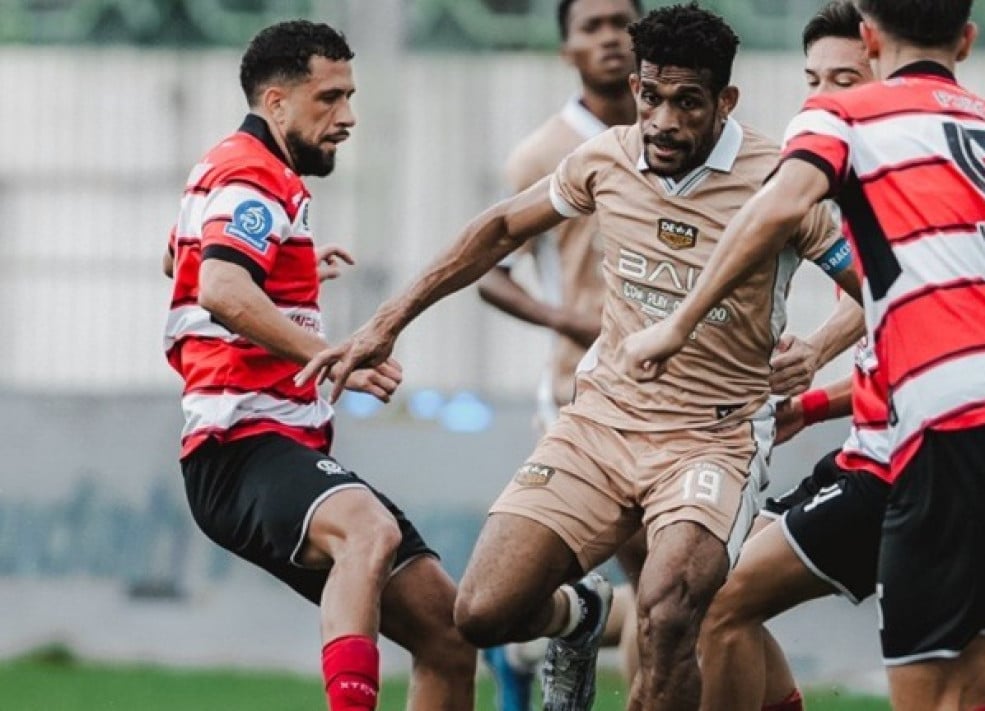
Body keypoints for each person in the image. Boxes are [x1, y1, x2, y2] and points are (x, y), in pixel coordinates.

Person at [618, 1, 985, 709]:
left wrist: (674, 326)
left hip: (948, 433)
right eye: (814, 78)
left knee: (909, 681)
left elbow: (778, 207)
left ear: (870, 42)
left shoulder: (841, 119)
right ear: (965, 40)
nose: (823, 89)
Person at [297, 5, 860, 709]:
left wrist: (817, 348)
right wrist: (386, 323)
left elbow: (876, 288)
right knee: (482, 612)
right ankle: (579, 616)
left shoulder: (781, 182)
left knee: (669, 612)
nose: (662, 121)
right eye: (650, 96)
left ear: (726, 101)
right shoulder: (604, 158)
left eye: (687, 103)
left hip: (710, 439)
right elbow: (500, 228)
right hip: (600, 423)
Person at [162, 20, 474, 711]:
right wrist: (332, 357)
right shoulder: (252, 172)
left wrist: (292, 267)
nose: (348, 116)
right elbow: (220, 288)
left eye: (350, 96)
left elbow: (179, 262)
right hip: (240, 444)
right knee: (369, 530)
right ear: (276, 102)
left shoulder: (240, 172)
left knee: (448, 637)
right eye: (330, 97)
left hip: (275, 445)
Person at [475, 1, 644, 705]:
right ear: (565, 50)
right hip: (585, 393)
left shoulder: (682, 134)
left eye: (622, 21)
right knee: (663, 588)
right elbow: (491, 274)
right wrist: (573, 322)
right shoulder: (543, 154)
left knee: (681, 590)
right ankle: (524, 634)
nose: (610, 38)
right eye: (591, 26)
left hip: (683, 395)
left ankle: (526, 639)